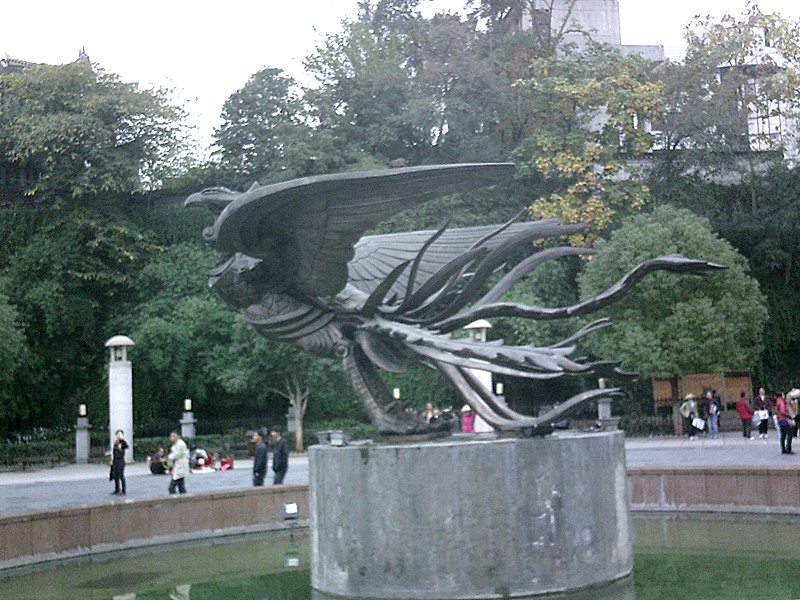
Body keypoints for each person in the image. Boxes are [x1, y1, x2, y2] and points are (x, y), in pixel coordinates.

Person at [110, 429, 128, 495]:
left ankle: (124, 490)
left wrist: (122, 440)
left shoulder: (122, 443)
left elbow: (126, 446)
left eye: (120, 434)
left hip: (121, 461)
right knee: (115, 476)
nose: (118, 436)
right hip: (115, 461)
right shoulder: (116, 443)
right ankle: (117, 489)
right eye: (117, 434)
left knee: (121, 476)